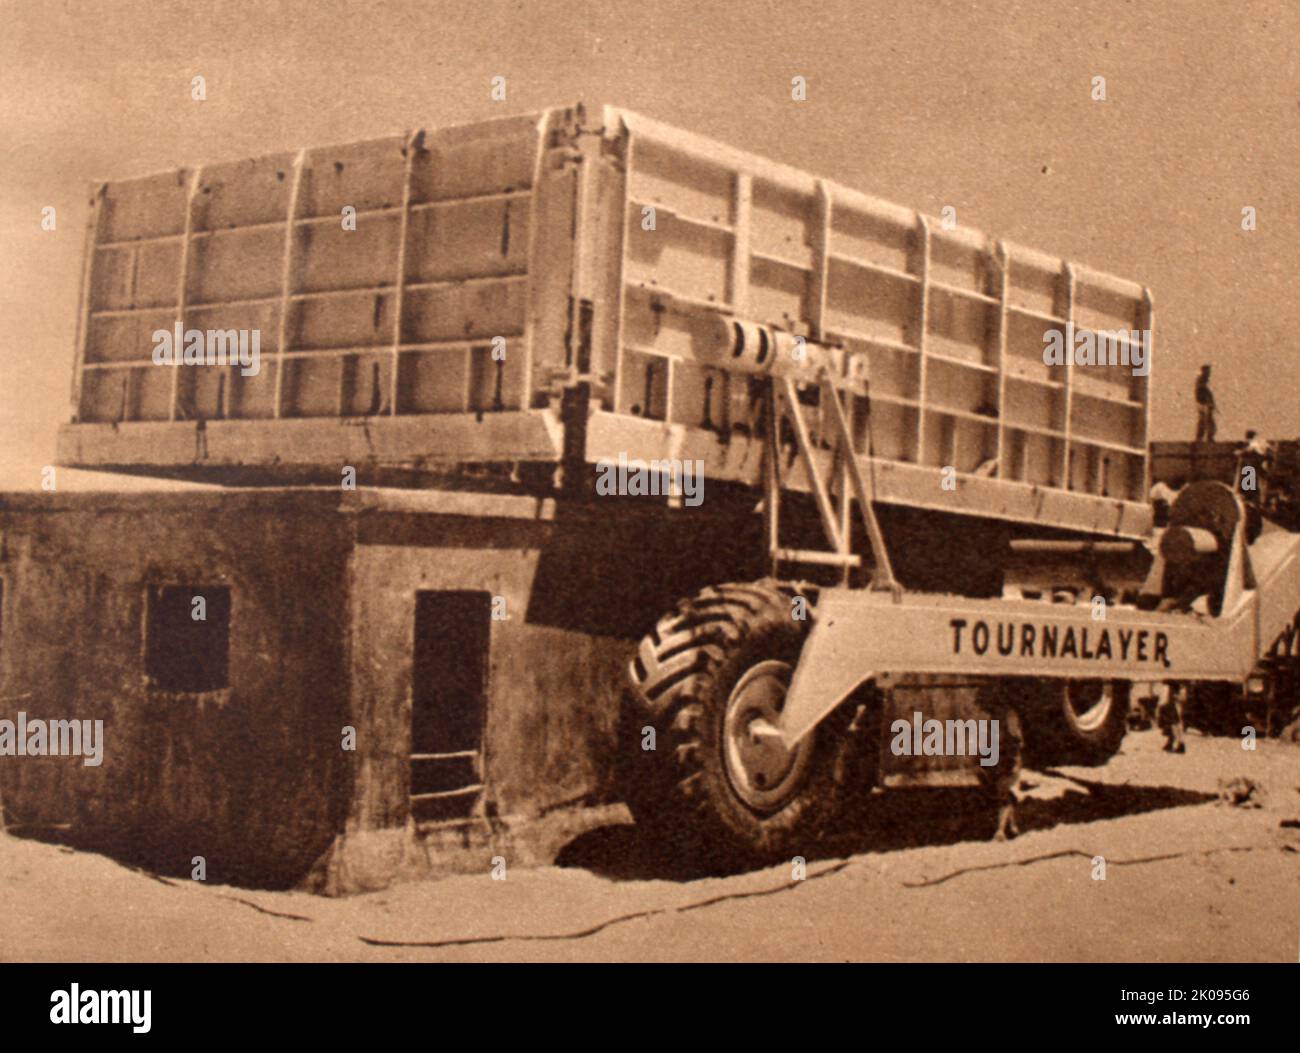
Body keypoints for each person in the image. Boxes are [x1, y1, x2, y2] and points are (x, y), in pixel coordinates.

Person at [1194, 365, 1216, 442]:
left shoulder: (1202, 381)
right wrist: (1208, 402)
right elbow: (1201, 393)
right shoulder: (1201, 381)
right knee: (1207, 421)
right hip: (1204, 404)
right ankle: (1207, 438)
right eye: (1208, 371)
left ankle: (1201, 438)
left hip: (1203, 404)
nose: (1209, 373)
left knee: (1203, 421)